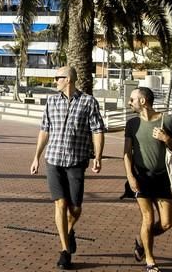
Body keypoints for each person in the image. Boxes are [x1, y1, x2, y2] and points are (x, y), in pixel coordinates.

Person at [30, 66, 106, 270]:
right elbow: (44, 130)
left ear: (69, 79)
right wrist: (36, 157)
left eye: (58, 78)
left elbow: (97, 130)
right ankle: (65, 251)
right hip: (53, 160)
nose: (55, 81)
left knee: (75, 208)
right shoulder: (52, 101)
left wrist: (97, 156)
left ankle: (69, 230)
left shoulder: (88, 102)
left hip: (76, 161)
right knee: (60, 204)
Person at [125, 87, 172, 272]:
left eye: (132, 99)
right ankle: (150, 261)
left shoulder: (167, 120)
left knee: (166, 223)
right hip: (140, 177)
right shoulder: (132, 124)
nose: (129, 102)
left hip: (161, 177)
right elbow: (126, 154)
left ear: (143, 101)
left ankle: (141, 243)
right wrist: (130, 177)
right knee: (148, 219)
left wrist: (166, 138)